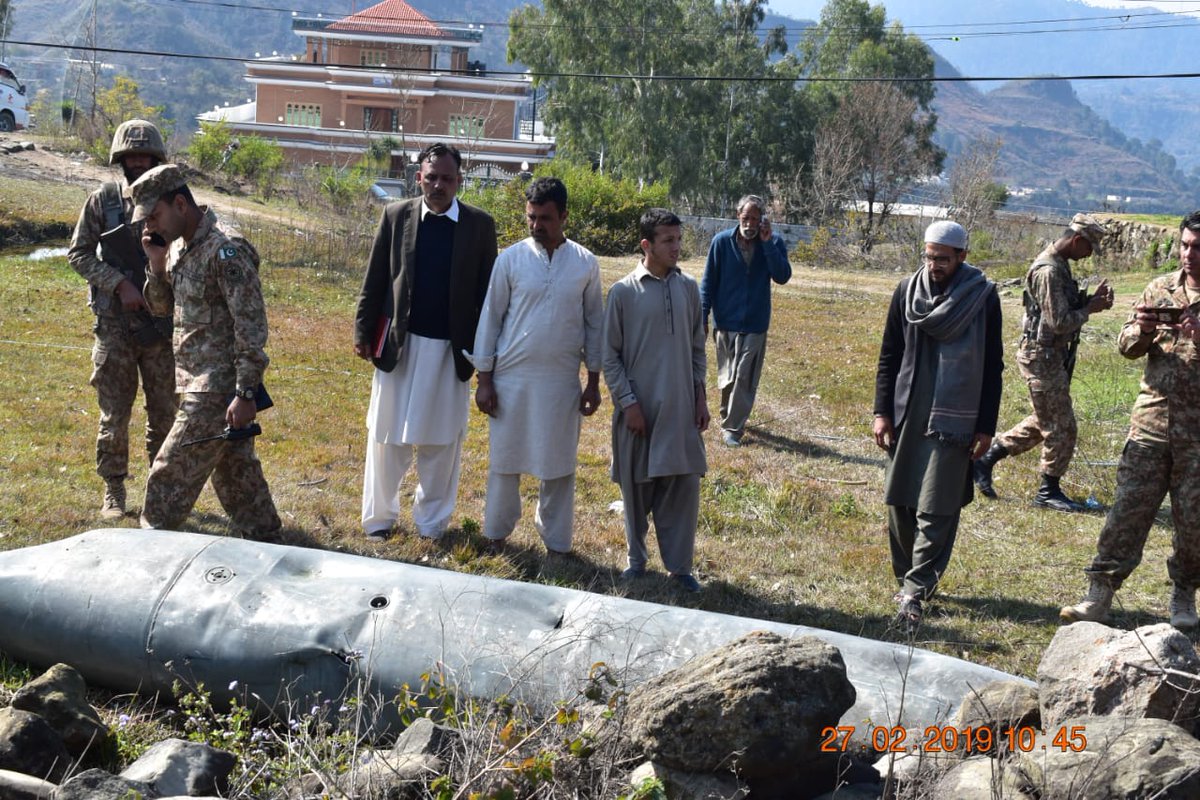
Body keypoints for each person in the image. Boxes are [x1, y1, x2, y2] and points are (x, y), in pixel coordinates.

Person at [1061, 211, 1200, 630]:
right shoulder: (1160, 288)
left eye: (1199, 248)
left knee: (1194, 524)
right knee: (1126, 515)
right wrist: (1140, 329)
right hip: (1152, 427)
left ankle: (1184, 595)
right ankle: (1098, 595)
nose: (1190, 255)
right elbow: (1126, 347)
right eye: (1186, 245)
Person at [353, 143, 497, 542]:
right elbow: (376, 276)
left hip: (451, 352)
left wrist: (487, 356)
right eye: (431, 177)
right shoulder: (396, 216)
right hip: (400, 347)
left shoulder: (479, 226)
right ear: (419, 177)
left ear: (459, 181)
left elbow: (488, 297)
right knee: (385, 436)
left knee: (442, 442)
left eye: (446, 179)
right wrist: (363, 331)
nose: (437, 185)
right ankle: (379, 520)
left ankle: (431, 525)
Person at [132, 164, 282, 538]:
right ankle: (269, 542)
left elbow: (250, 326)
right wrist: (156, 264)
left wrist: (246, 392)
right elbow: (164, 309)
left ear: (180, 203)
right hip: (193, 380)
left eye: (154, 215)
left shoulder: (226, 250)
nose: (149, 226)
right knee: (237, 476)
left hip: (216, 388)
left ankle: (147, 548)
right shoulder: (181, 246)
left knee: (169, 473)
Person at [873, 221, 1003, 629]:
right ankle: (906, 579)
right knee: (900, 499)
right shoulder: (906, 292)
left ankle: (916, 588)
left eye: (942, 259)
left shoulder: (982, 297)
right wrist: (882, 412)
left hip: (955, 419)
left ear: (962, 256)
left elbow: (992, 364)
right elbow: (889, 355)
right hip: (909, 410)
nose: (934, 266)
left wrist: (985, 425)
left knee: (937, 504)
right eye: (929, 257)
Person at [470, 177, 603, 555]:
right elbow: (490, 321)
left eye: (545, 217)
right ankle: (496, 535)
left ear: (563, 215)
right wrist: (485, 380)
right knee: (504, 462)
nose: (536, 225)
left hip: (561, 382)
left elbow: (595, 324)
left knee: (558, 465)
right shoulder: (510, 260)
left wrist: (592, 382)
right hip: (511, 382)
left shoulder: (585, 263)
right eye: (531, 217)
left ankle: (557, 545)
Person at [68, 119, 176, 518]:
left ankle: (159, 489)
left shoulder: (173, 202)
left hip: (161, 324)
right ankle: (114, 490)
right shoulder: (103, 200)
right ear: (120, 158)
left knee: (165, 412)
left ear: (157, 157)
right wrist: (118, 284)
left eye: (145, 154)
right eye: (131, 155)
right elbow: (78, 254)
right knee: (115, 414)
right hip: (114, 324)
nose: (137, 161)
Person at [974, 213, 1113, 511]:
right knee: (1063, 427)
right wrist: (1091, 308)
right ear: (1077, 241)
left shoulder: (1059, 265)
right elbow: (1060, 321)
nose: (1089, 255)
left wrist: (1089, 302)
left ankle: (985, 461)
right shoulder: (1048, 271)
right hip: (1042, 358)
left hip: (1051, 356)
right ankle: (1048, 492)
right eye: (1089, 248)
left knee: (1045, 419)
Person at [603, 208, 709, 593]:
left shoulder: (688, 289)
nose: (676, 247)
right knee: (636, 487)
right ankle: (636, 561)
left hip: (680, 409)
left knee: (682, 487)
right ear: (646, 245)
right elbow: (609, 356)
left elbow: (698, 348)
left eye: (679, 240)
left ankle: (680, 568)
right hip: (639, 411)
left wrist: (700, 396)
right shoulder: (623, 292)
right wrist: (628, 403)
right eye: (668, 241)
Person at [700, 194, 792, 447]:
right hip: (725, 322)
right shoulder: (721, 243)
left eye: (755, 218)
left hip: (754, 324)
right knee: (727, 377)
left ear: (762, 219)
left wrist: (767, 245)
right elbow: (708, 282)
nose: (750, 223)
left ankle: (733, 427)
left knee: (744, 377)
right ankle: (728, 414)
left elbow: (782, 276)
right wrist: (702, 316)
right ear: (738, 216)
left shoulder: (773, 242)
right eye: (745, 218)